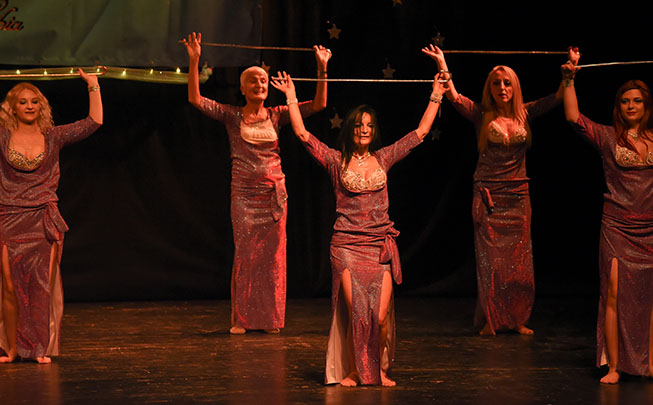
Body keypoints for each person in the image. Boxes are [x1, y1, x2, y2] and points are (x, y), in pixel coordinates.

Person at [271, 61, 445, 386]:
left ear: (374, 130)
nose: (364, 129)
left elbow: (420, 133)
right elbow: (302, 134)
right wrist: (292, 96)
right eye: (358, 125)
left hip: (378, 247)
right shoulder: (335, 161)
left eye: (369, 125)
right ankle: (353, 370)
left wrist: (436, 94)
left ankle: (378, 369)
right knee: (357, 314)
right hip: (347, 246)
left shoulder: (384, 158)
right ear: (350, 129)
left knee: (378, 318)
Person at [182, 32, 331, 334]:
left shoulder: (277, 115)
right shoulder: (232, 116)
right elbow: (195, 99)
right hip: (244, 197)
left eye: (263, 80)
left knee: (273, 260)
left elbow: (318, 104)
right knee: (246, 257)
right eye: (253, 81)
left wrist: (322, 68)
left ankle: (271, 320)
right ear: (242, 88)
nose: (260, 84)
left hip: (274, 196)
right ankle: (243, 319)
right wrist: (195, 60)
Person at [422, 45, 564, 336]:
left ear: (515, 87)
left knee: (519, 263)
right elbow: (453, 96)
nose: (502, 88)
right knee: (492, 264)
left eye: (507, 83)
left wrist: (569, 72)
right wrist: (442, 62)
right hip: (489, 198)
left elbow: (559, 97)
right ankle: (493, 318)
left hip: (518, 196)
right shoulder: (481, 114)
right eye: (496, 84)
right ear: (490, 89)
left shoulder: (526, 112)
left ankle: (517, 318)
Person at [562, 49, 653, 384]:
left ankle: (649, 363)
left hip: (650, 228)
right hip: (617, 227)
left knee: (650, 296)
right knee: (613, 292)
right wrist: (569, 77)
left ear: (646, 105)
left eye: (637, 101)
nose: (631, 106)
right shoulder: (607, 136)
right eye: (625, 101)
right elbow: (573, 117)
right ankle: (614, 366)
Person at [0, 71, 103, 363]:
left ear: (41, 106)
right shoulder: (2, 136)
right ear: (12, 107)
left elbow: (93, 122)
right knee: (10, 287)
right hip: (8, 216)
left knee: (40, 286)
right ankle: (11, 348)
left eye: (34, 101)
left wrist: (93, 85)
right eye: (23, 102)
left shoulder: (53, 136)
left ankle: (38, 348)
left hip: (42, 218)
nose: (29, 106)